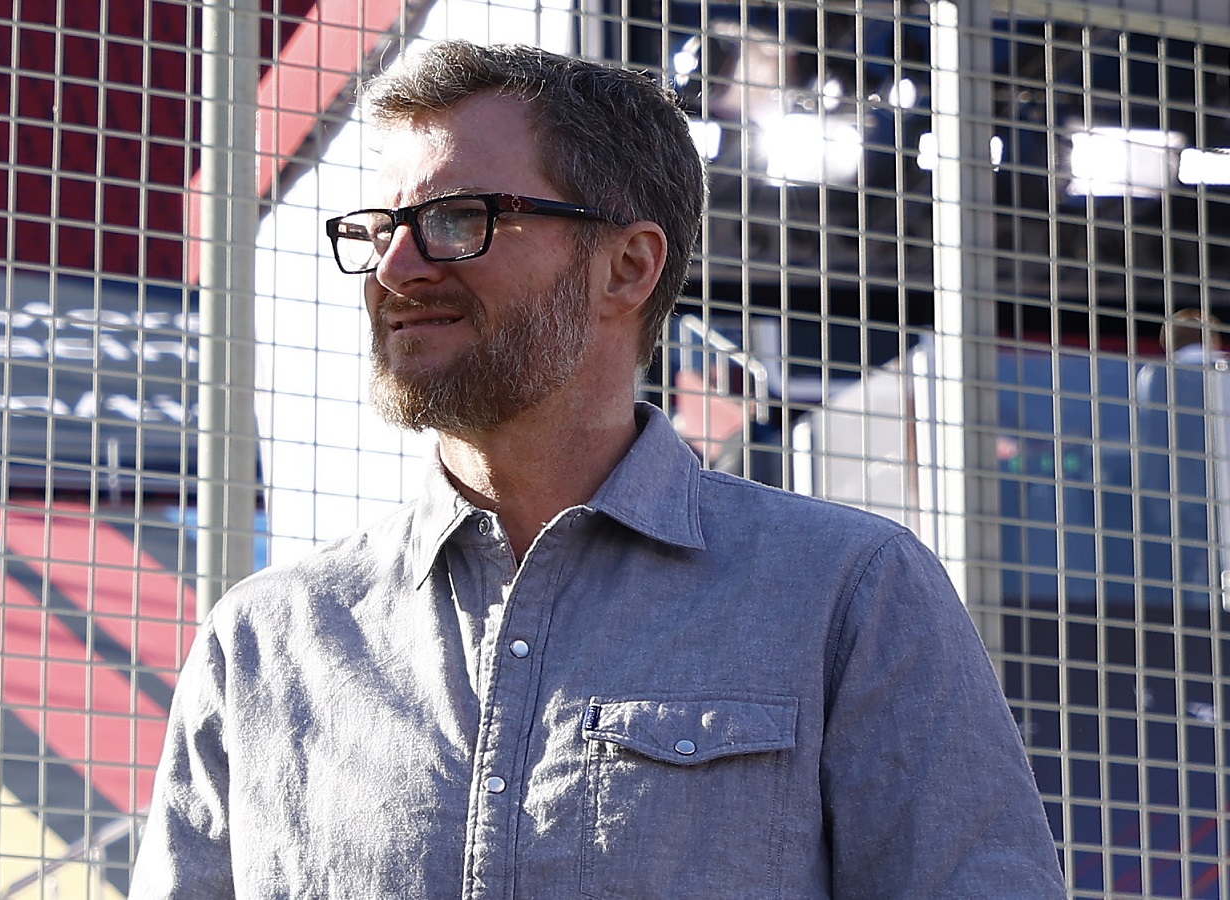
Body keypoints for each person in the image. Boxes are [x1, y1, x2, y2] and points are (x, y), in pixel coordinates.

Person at [131, 40, 1066, 897]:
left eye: (459, 220)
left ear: (627, 267)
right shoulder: (262, 646)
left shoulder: (848, 598)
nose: (395, 268)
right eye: (382, 228)